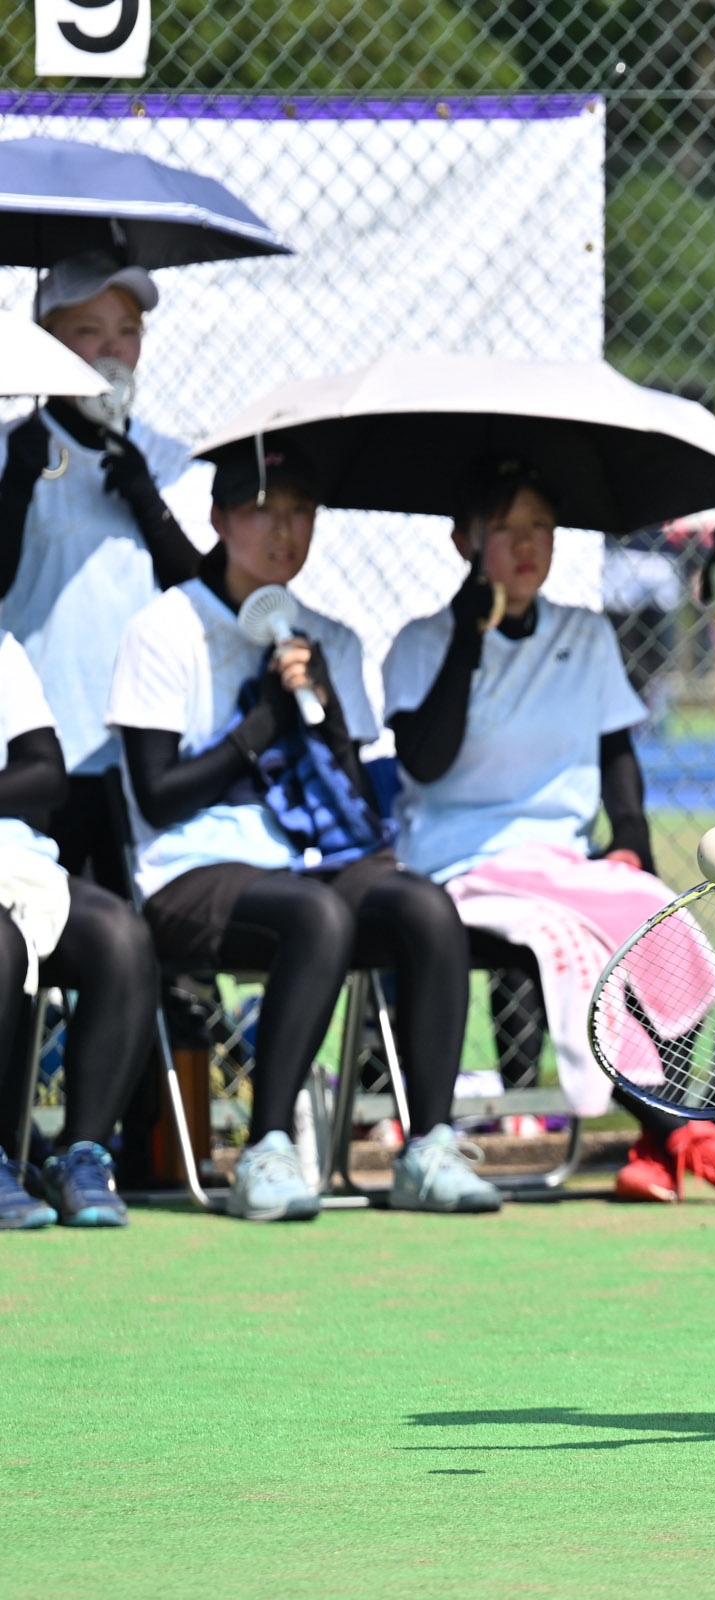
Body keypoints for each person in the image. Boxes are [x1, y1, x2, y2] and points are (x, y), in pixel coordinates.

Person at [105, 443, 500, 1221]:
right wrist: (259, 730)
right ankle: (267, 1149)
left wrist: (326, 711)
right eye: (262, 511)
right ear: (220, 520)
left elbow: (353, 802)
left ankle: (428, 1147)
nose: (284, 531)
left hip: (309, 860)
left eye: (300, 512)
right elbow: (157, 797)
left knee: (425, 906)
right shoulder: (164, 627)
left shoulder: (330, 640)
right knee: (317, 916)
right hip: (192, 867)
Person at [381, 458, 715, 1206]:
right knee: (572, 946)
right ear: (464, 540)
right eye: (505, 529)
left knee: (660, 911)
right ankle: (689, 1135)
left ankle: (658, 1148)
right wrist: (469, 636)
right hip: (460, 863)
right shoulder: (422, 642)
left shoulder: (585, 634)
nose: (527, 545)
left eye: (541, 527)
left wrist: (631, 842)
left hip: (561, 859)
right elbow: (426, 763)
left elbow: (616, 749)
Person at [0, 252, 202, 894]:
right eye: (89, 330)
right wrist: (14, 487)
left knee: (128, 926)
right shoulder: (10, 447)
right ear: (46, 339)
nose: (112, 349)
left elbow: (204, 592)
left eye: (128, 330)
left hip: (139, 745)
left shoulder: (169, 458)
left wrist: (148, 501)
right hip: (38, 740)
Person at [0, 629, 156, 1228]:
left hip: (16, 857)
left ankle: (80, 1155)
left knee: (120, 936)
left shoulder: (3, 650)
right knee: (3, 945)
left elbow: (45, 773)